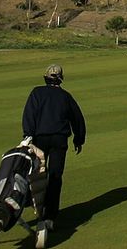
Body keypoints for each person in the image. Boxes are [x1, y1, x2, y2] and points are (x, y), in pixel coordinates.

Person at [22, 63, 85, 231]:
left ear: (46, 78)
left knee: (37, 175)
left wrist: (28, 135)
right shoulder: (65, 96)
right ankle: (50, 217)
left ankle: (36, 208)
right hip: (59, 140)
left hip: (39, 139)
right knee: (55, 176)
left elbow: (29, 115)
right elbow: (77, 119)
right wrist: (79, 140)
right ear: (60, 79)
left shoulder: (37, 92)